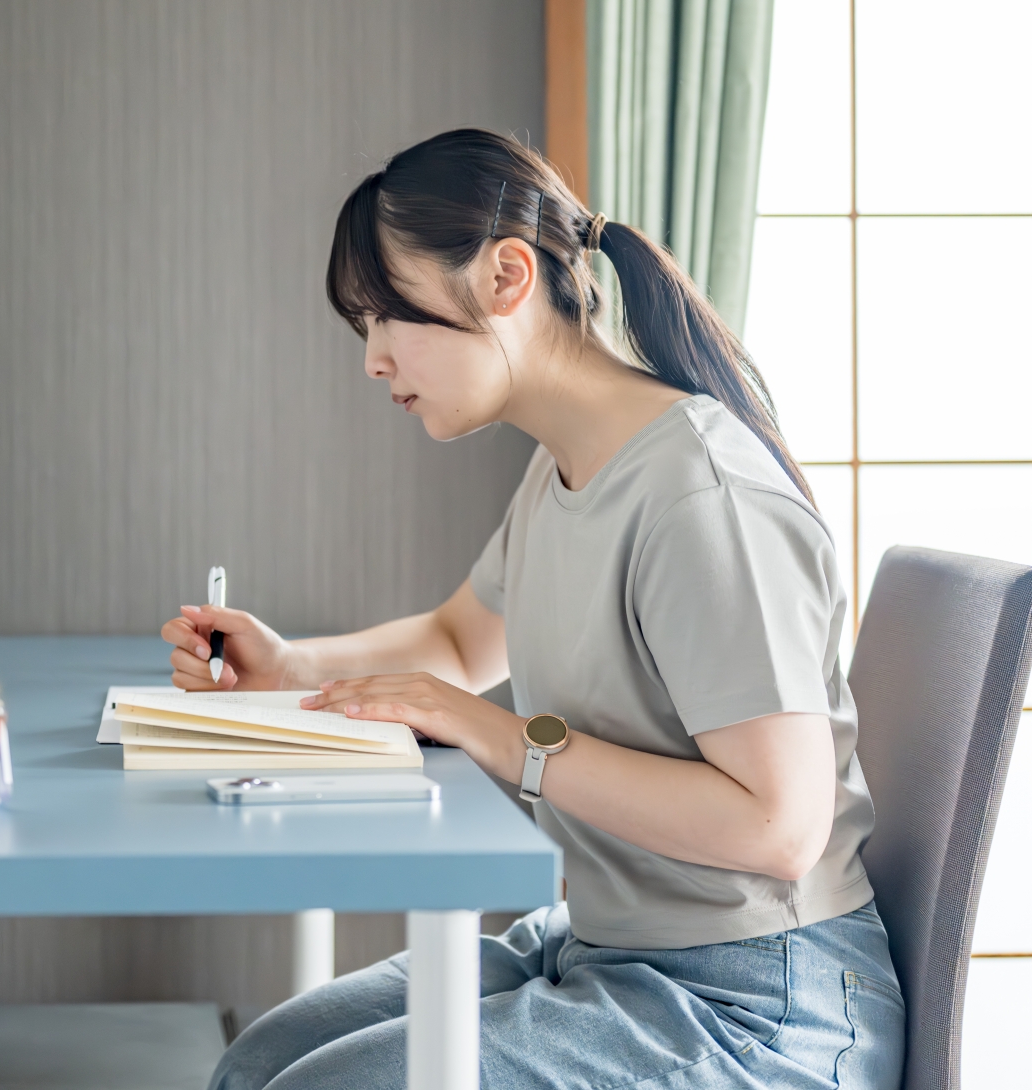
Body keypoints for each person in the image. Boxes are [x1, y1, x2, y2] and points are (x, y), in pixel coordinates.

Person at [159, 129, 903, 1090]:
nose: (375, 359)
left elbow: (779, 828)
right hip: (601, 941)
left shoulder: (699, 498)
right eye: (363, 328)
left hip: (758, 1002)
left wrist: (493, 731)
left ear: (508, 274)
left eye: (390, 315)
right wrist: (289, 666)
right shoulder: (562, 469)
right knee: (256, 1064)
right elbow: (461, 640)